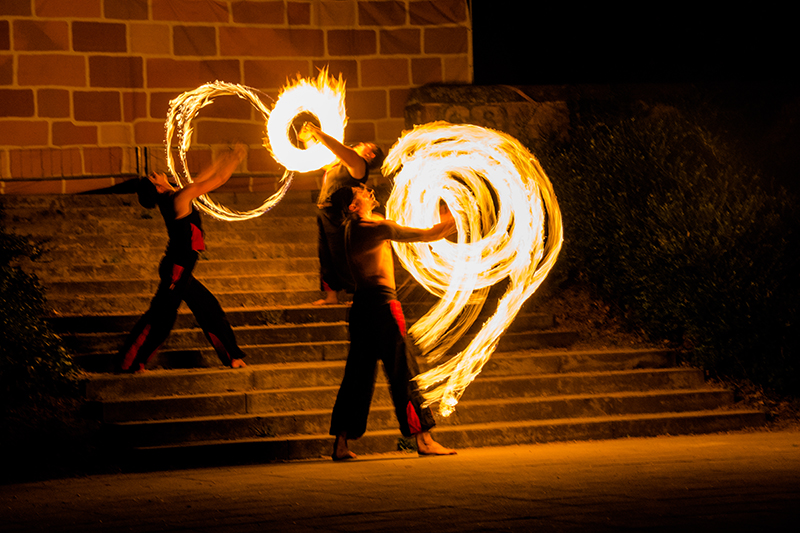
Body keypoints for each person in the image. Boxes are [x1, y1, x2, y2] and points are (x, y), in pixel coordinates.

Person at [329, 185, 457, 460]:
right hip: (384, 307)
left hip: (362, 308)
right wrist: (457, 217)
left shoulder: (357, 228)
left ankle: (340, 443)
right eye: (359, 192)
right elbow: (427, 235)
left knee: (357, 375)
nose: (367, 190)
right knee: (404, 370)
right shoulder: (372, 228)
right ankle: (423, 438)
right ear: (353, 207)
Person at [118, 145, 248, 373]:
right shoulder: (178, 198)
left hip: (180, 269)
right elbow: (217, 180)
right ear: (158, 187)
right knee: (161, 318)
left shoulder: (177, 193)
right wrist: (236, 158)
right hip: (176, 270)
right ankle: (129, 362)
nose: (155, 172)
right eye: (153, 176)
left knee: (209, 307)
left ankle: (233, 357)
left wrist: (223, 156)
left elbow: (203, 177)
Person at [297, 122, 383, 306]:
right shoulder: (340, 164)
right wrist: (308, 140)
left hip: (340, 214)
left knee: (342, 254)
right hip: (324, 211)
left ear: (371, 155)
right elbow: (318, 160)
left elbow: (337, 148)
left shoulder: (358, 164)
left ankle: (359, 296)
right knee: (326, 254)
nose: (360, 143)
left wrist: (317, 132)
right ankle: (331, 296)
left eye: (366, 145)